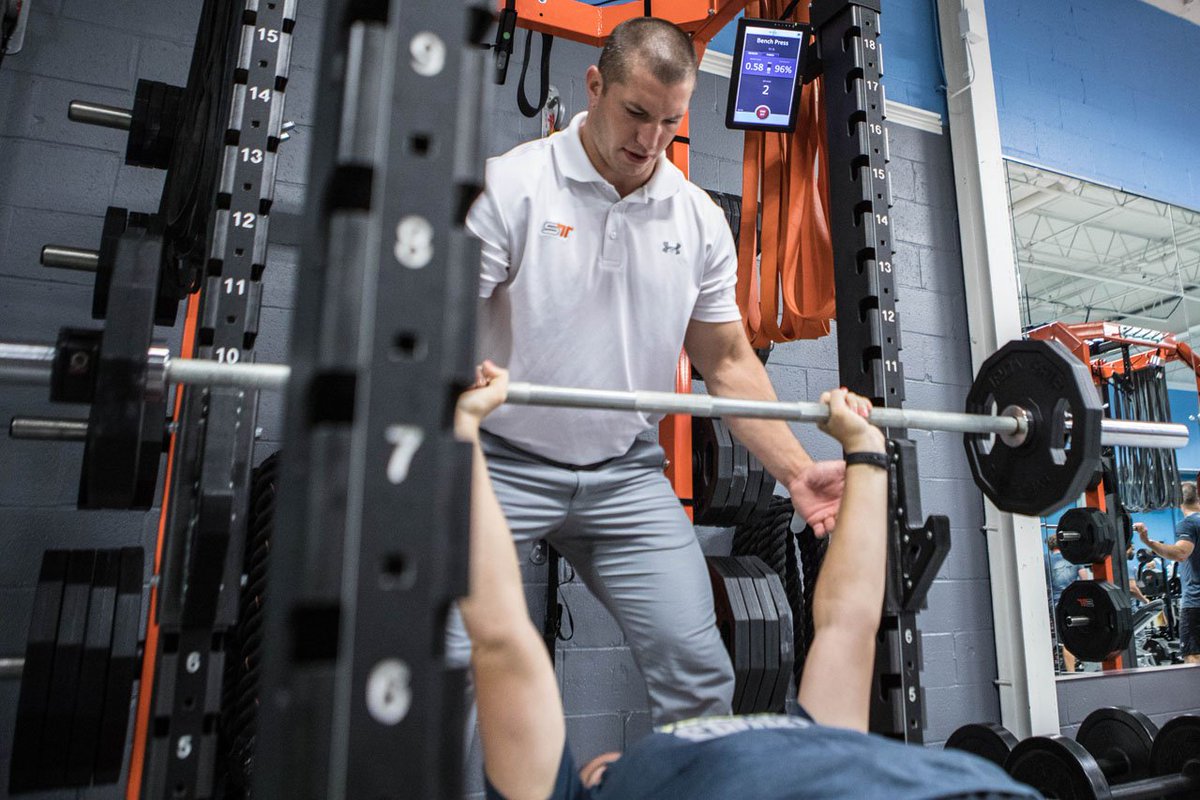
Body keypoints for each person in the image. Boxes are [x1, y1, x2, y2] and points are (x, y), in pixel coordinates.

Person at [459, 16, 844, 722]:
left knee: (700, 673)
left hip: (622, 472)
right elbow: (437, 329)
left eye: (669, 121)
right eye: (636, 113)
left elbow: (727, 362)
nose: (650, 139)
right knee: (448, 661)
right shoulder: (514, 187)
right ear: (595, 86)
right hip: (498, 462)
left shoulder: (697, 220)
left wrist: (797, 470)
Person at [454, 363, 1037, 800]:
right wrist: (864, 455)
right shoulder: (812, 738)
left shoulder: (805, 740)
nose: (607, 757)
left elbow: (502, 640)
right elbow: (848, 623)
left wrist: (462, 436)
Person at [1134, 480, 1200, 665]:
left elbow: (1180, 553)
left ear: (1178, 500)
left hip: (1196, 603)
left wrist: (1147, 542)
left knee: (1193, 656)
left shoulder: (1188, 524)